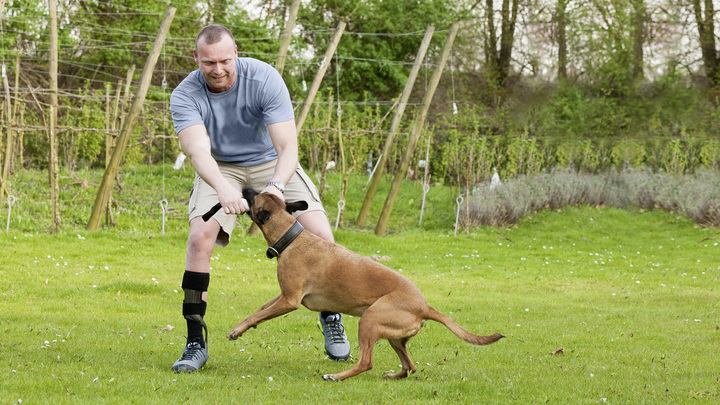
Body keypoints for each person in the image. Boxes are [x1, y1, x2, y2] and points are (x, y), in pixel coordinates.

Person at [168, 24, 350, 373]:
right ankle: (195, 340)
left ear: (236, 53)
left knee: (323, 237)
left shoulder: (264, 78)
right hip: (220, 167)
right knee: (199, 239)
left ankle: (331, 317)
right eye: (208, 63)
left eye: (224, 60)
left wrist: (278, 186)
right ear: (196, 58)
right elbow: (197, 150)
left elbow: (287, 146)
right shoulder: (185, 94)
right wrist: (222, 187)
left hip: (272, 163)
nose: (218, 69)